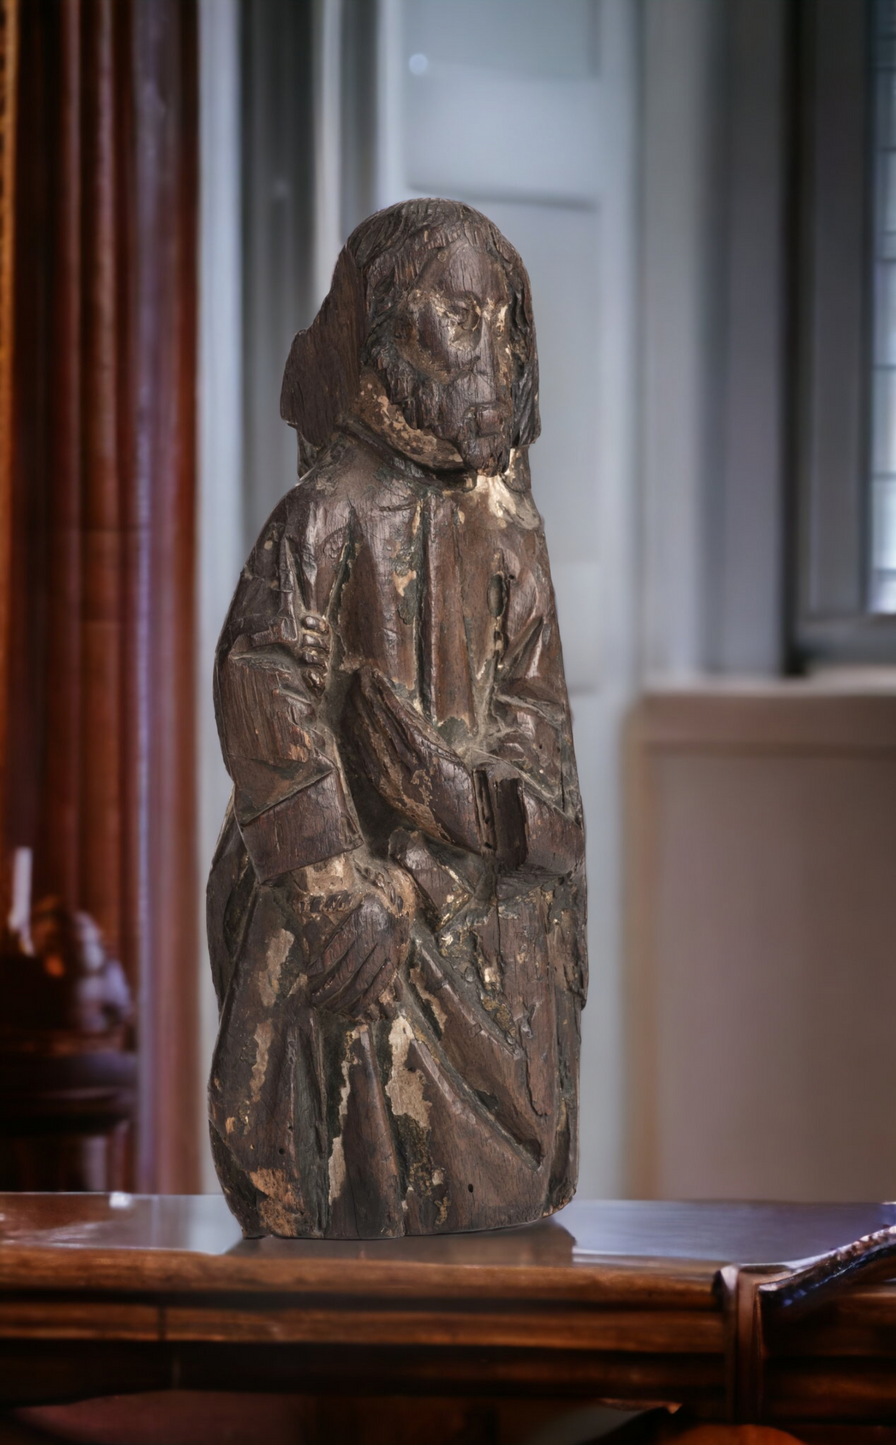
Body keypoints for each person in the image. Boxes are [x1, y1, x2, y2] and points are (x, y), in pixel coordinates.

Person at [208, 198, 586, 1238]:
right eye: (458, 318)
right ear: (380, 334)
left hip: (472, 892)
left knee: (504, 1170)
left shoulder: (511, 530)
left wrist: (456, 831)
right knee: (350, 1070)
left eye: (503, 320)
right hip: (357, 913)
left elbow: (534, 719)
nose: (492, 352)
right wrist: (337, 881)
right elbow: (265, 686)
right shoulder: (326, 513)